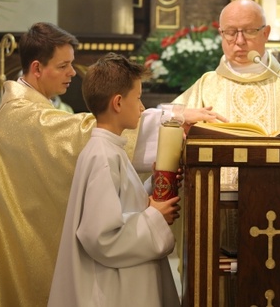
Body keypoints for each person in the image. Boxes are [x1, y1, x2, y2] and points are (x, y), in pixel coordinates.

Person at [0, 22, 224, 306]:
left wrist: (153, 182)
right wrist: (171, 122)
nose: (72, 73)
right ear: (38, 68)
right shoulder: (23, 116)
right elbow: (88, 132)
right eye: (64, 65)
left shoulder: (37, 109)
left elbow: (110, 188)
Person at [173, 0, 280, 306]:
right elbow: (165, 132)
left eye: (248, 31)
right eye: (230, 32)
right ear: (220, 33)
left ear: (266, 33)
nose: (239, 41)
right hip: (219, 215)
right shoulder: (205, 87)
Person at [48, 53, 181, 306]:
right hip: (115, 291)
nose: (142, 108)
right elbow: (102, 236)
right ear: (118, 103)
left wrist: (156, 185)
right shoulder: (104, 155)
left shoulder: (110, 150)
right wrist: (155, 216)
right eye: (139, 98)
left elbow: (121, 206)